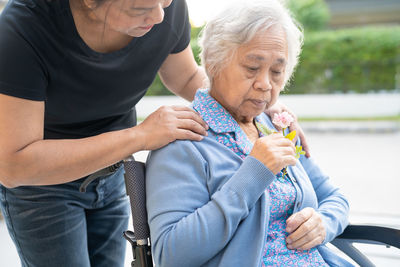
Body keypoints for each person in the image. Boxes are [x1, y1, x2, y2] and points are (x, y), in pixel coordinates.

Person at [0, 0, 307, 266]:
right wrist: (140, 136)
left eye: (164, 3)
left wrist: (251, 103)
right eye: (141, 8)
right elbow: (13, 166)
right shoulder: (22, 31)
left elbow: (187, 76)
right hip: (42, 183)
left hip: (111, 173)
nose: (159, 18)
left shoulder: (163, 10)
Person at [146, 0, 352, 266]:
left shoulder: (275, 127)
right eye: (252, 68)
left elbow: (335, 197)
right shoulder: (184, 139)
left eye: (277, 71)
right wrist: (254, 172)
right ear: (213, 63)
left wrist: (324, 223)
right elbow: (172, 255)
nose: (266, 84)